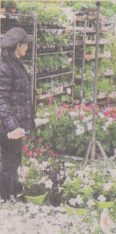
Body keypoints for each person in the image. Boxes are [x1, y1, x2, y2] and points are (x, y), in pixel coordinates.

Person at [0, 27, 34, 200]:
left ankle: (12, 191)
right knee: (9, 160)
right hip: (8, 125)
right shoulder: (5, 67)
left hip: (16, 123)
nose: (27, 48)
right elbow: (2, 100)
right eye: (25, 45)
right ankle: (6, 197)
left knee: (14, 159)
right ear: (17, 45)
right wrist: (12, 126)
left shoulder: (14, 62)